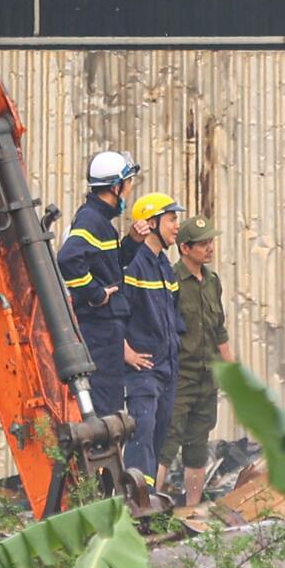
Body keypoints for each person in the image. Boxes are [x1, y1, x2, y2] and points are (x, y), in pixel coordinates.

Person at [57, 151, 149, 420]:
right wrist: (94, 294)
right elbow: (68, 259)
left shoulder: (102, 223)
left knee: (110, 407)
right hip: (100, 328)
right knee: (105, 410)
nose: (130, 190)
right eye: (128, 183)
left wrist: (131, 242)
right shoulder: (91, 220)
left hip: (107, 328)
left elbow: (110, 268)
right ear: (115, 186)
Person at [161, 215, 234, 506]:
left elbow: (220, 330)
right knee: (168, 441)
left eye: (210, 242)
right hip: (181, 376)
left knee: (198, 445)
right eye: (202, 244)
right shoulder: (172, 280)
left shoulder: (212, 282)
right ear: (185, 248)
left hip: (208, 377)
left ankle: (192, 508)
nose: (209, 248)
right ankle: (148, 506)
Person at [121, 193, 186, 483]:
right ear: (151, 222)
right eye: (171, 219)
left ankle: (147, 501)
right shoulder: (133, 264)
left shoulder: (164, 266)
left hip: (166, 368)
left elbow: (172, 318)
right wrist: (125, 351)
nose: (176, 226)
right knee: (141, 435)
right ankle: (137, 505)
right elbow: (117, 313)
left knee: (159, 436)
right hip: (143, 371)